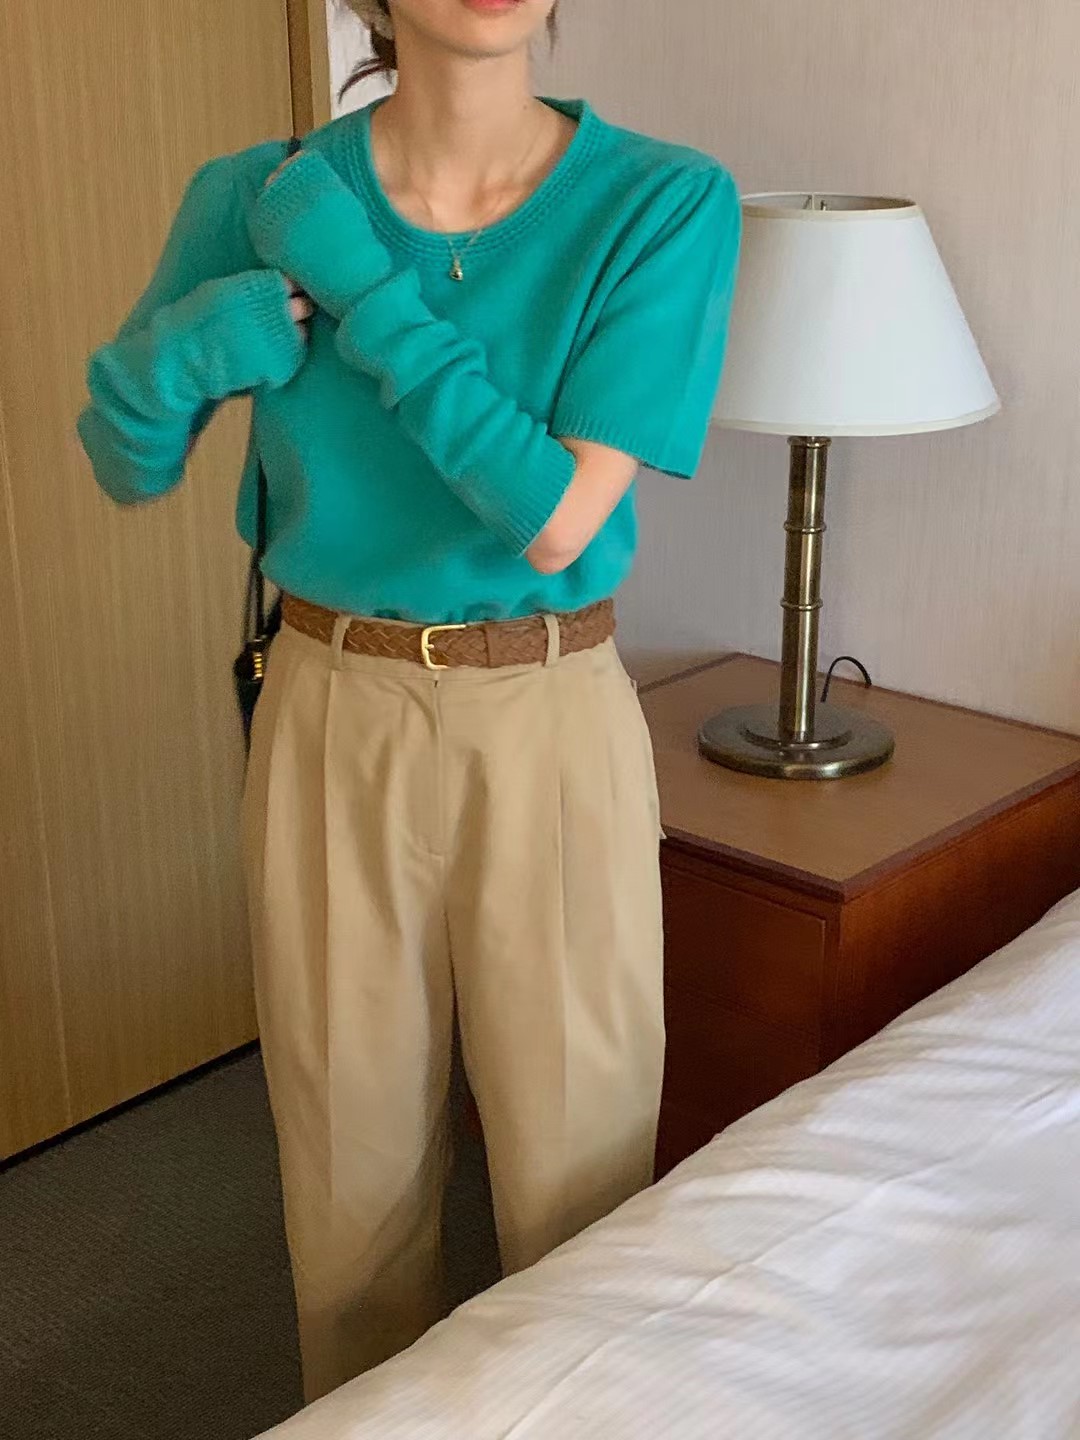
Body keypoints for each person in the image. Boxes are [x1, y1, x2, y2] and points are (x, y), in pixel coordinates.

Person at [77, 0, 741, 1406]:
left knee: (580, 1175)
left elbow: (554, 519)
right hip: (333, 705)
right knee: (348, 1177)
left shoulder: (660, 201)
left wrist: (359, 286)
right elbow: (124, 454)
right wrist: (197, 346)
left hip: (548, 713)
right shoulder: (254, 194)